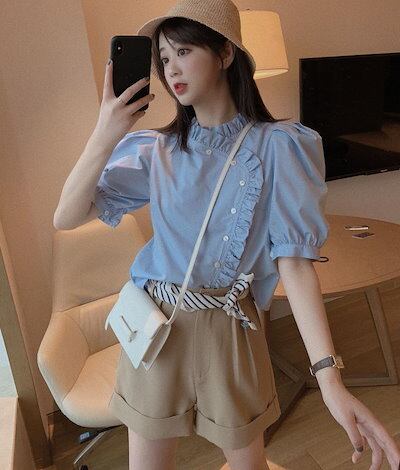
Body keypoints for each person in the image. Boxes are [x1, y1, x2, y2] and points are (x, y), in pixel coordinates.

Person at [53, 1, 400, 469]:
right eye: (164, 58)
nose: (171, 69)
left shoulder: (279, 147)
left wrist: (329, 379)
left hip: (231, 332)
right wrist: (105, 131)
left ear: (225, 53)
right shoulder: (158, 150)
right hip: (157, 330)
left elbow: (295, 266)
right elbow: (67, 216)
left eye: (184, 51)